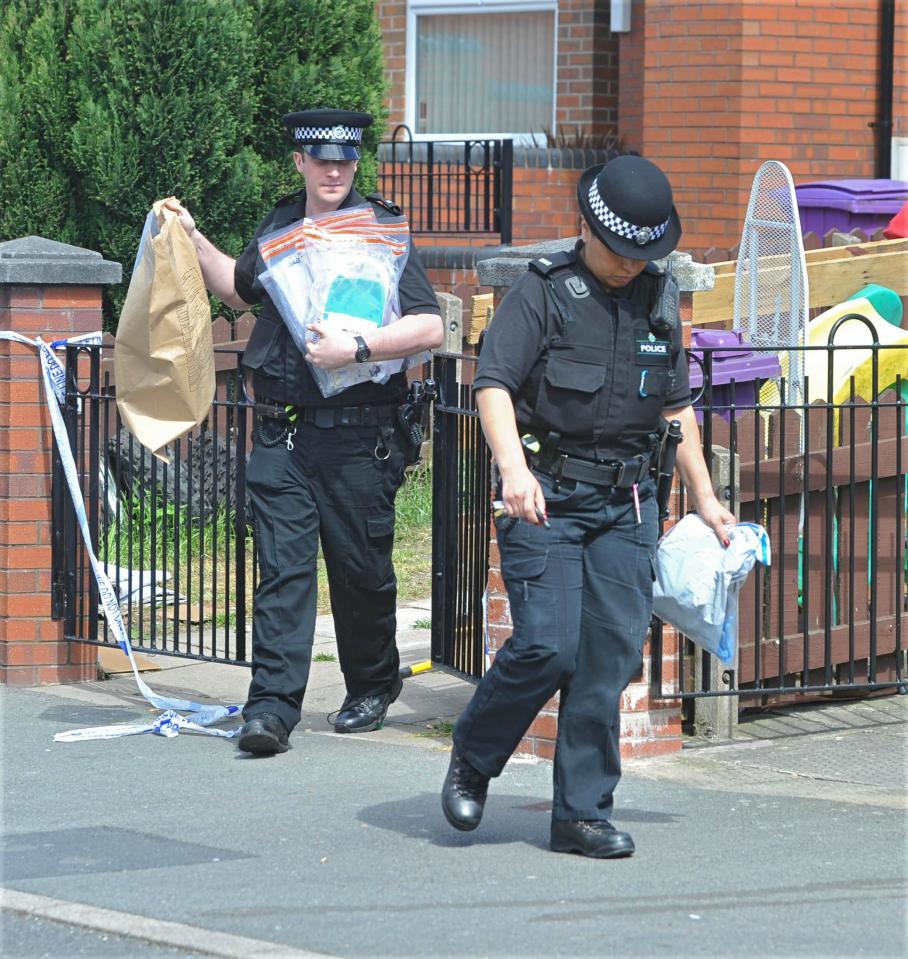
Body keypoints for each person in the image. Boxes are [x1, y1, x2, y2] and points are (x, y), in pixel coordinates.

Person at [441, 155, 736, 857]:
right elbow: (492, 385)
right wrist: (513, 471)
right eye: (621, 251)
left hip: (627, 502)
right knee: (546, 641)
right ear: (586, 228)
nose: (632, 265)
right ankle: (475, 755)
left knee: (606, 659)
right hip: (546, 494)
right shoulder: (544, 293)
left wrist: (705, 498)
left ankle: (580, 811)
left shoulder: (658, 300)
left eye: (645, 253)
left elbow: (674, 408)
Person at [166, 109, 443, 755]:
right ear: (299, 160)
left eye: (344, 159)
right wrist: (191, 233)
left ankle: (372, 685)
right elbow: (238, 291)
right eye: (321, 159)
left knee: (361, 573)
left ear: (356, 162)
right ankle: (270, 710)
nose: (333, 170)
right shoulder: (282, 224)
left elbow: (429, 326)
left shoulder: (382, 231)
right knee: (282, 572)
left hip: (359, 436)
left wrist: (360, 346)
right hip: (284, 434)